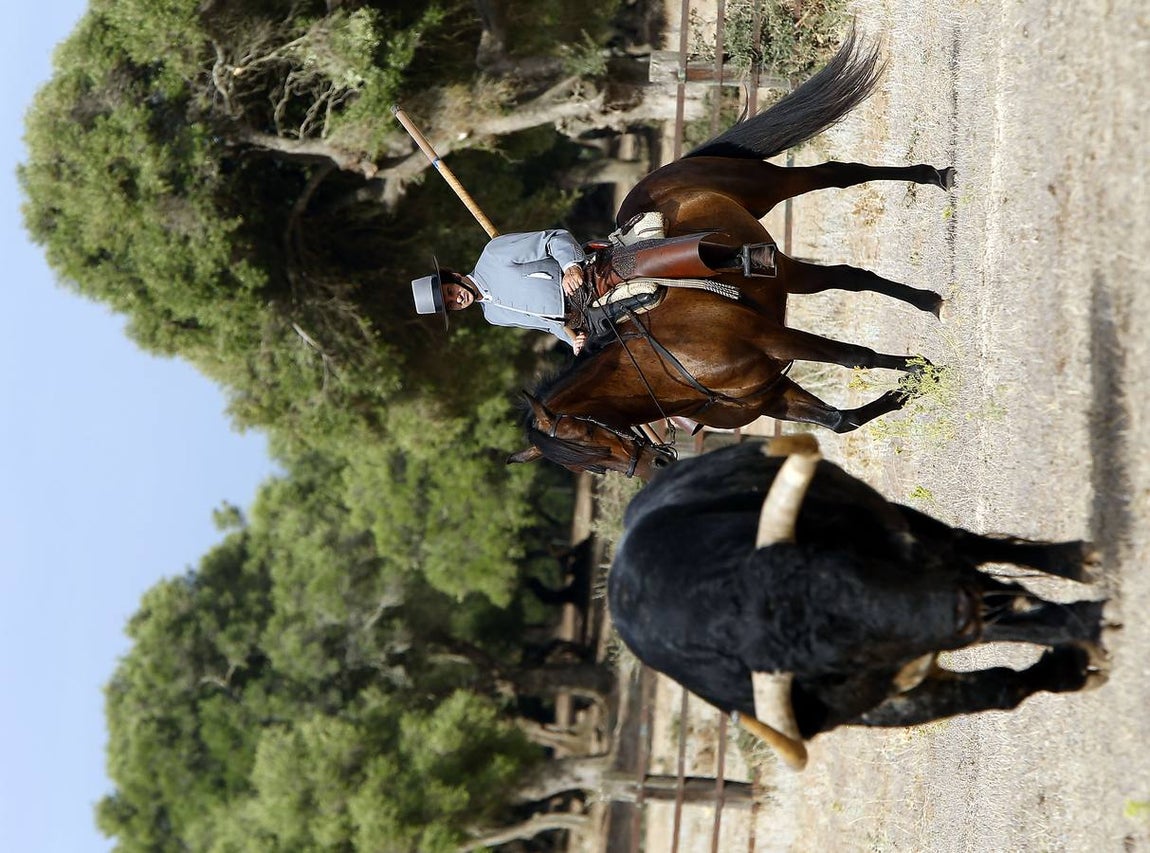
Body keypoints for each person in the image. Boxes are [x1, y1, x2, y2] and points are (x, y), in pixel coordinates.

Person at [411, 227, 776, 355]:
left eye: (449, 292)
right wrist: (570, 340)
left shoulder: (493, 256)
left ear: (455, 277)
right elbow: (547, 324)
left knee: (642, 265)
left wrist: (570, 267)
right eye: (450, 306)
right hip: (585, 321)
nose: (456, 300)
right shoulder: (492, 315)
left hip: (585, 278)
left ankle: (739, 258)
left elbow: (553, 239)